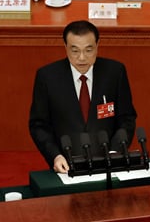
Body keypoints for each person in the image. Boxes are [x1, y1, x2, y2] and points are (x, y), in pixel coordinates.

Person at [29, 20, 137, 173]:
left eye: (88, 50)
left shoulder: (114, 72)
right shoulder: (47, 77)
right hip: (66, 166)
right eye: (74, 50)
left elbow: (126, 118)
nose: (81, 58)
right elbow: (39, 125)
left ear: (97, 46)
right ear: (65, 47)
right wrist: (55, 156)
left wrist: (114, 153)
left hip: (108, 164)